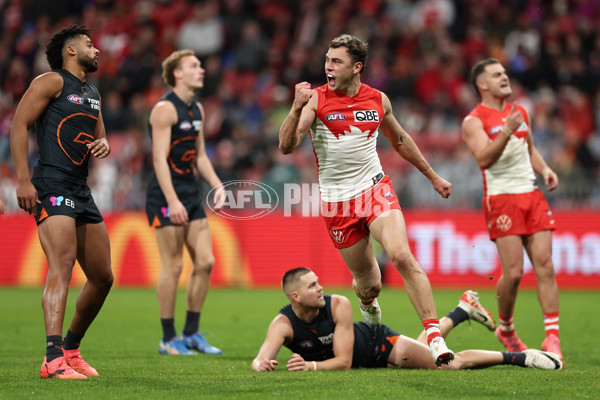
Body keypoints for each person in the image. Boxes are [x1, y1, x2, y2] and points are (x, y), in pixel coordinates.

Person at [278, 34, 454, 365]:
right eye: (327, 60)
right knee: (369, 284)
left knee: (401, 256)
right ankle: (368, 303)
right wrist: (296, 106)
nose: (328, 67)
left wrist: (432, 176)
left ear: (356, 67)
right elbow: (287, 146)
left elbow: (400, 140)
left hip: (374, 188)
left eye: (336, 61)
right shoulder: (315, 100)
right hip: (337, 203)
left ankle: (434, 336)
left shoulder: (378, 100)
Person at [10, 25, 113, 380]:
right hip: (50, 182)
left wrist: (105, 145)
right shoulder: (50, 82)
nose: (96, 49)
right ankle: (52, 358)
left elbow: (100, 136)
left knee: (102, 277)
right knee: (63, 264)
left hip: (80, 188)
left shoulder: (93, 93)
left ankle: (71, 348)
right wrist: (23, 180)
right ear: (71, 51)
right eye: (89, 44)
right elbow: (18, 124)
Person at [252, 267, 563, 372]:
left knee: (447, 363)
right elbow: (260, 359)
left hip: (379, 346)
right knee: (427, 344)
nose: (320, 288)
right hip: (371, 353)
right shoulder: (282, 324)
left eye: (318, 282)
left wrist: (309, 366)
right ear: (295, 297)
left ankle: (522, 358)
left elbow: (344, 362)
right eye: (311, 286)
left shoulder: (339, 305)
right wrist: (261, 364)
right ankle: (463, 310)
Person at [461, 58, 562, 359]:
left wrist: (545, 169)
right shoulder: (473, 121)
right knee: (515, 272)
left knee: (544, 265)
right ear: (482, 84)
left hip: (531, 194)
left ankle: (552, 337)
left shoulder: (520, 112)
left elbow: (529, 149)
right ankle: (505, 328)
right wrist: (505, 130)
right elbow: (484, 159)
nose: (505, 77)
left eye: (504, 73)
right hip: (502, 198)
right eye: (496, 75)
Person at [145, 49, 225, 356]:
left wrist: (217, 185)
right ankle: (168, 338)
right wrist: (172, 200)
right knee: (174, 266)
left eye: (201, 65)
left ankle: (191, 333)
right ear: (177, 73)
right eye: (194, 66)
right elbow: (159, 160)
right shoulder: (165, 109)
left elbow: (201, 156)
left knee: (205, 261)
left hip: (190, 193)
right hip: (166, 194)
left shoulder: (198, 110)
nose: (201, 70)